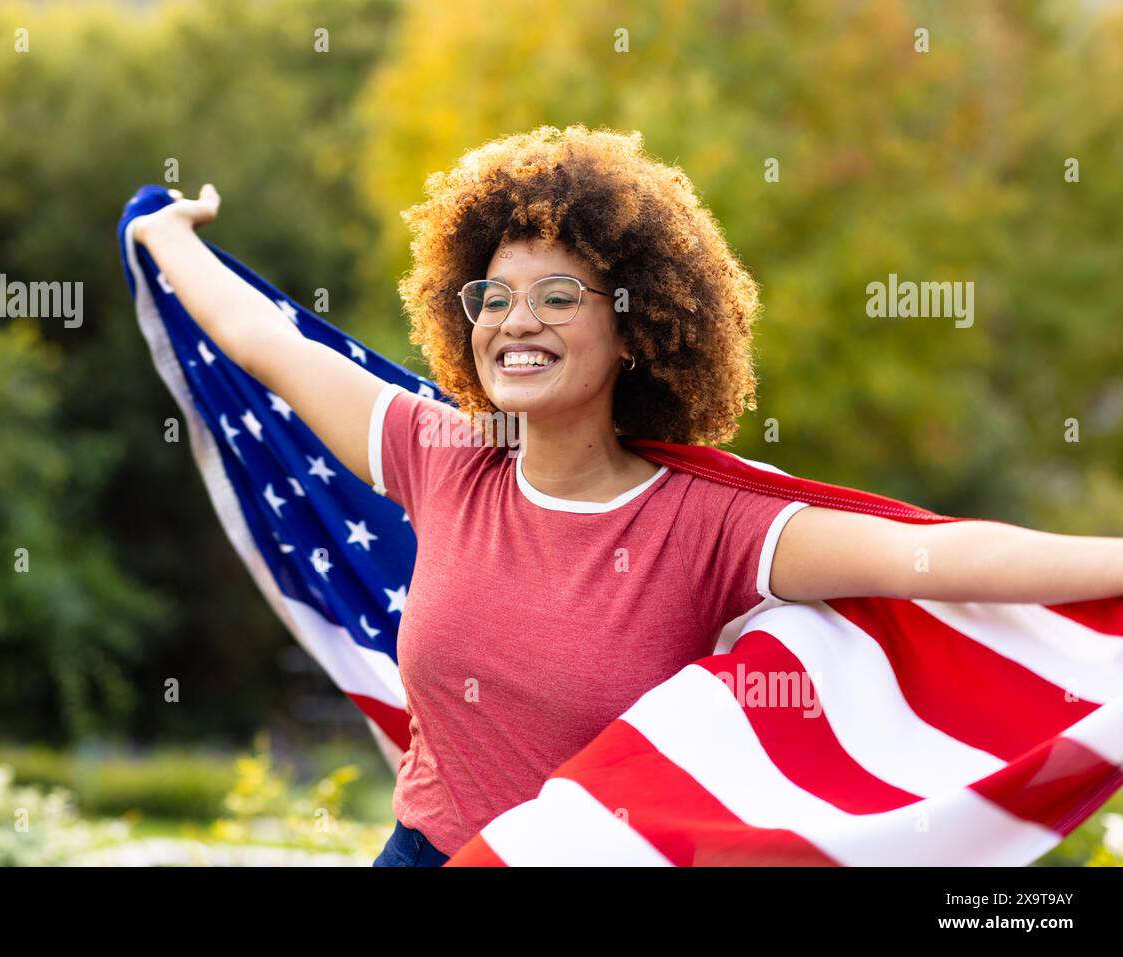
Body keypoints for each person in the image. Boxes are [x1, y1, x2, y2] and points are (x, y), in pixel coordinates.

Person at [131, 124, 1123, 867]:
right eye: (494, 296)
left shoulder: (712, 528)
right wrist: (165, 233)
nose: (515, 322)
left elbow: (932, 558)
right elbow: (267, 343)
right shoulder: (441, 456)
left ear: (635, 328)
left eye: (558, 296)